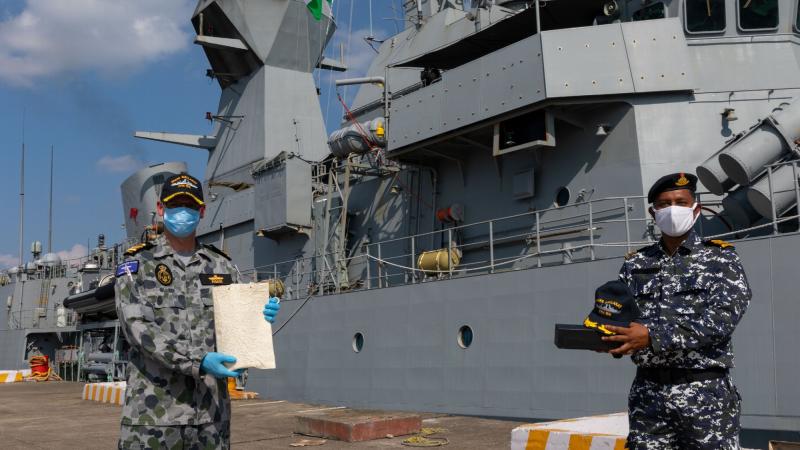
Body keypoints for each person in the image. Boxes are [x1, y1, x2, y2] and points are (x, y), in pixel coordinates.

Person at [115, 173, 281, 449]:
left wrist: (258, 317)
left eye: (190, 206)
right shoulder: (136, 265)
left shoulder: (222, 267)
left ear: (201, 211)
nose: (183, 211)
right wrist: (198, 362)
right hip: (154, 418)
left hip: (210, 419)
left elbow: (238, 332)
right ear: (161, 208)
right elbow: (139, 332)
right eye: (175, 204)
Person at [601, 172, 751, 449]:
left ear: (695, 209)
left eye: (681, 202)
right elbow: (619, 316)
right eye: (664, 203)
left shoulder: (720, 258)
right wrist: (608, 337)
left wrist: (652, 337)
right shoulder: (635, 264)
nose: (672, 209)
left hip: (705, 394)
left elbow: (721, 320)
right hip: (648, 394)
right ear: (653, 212)